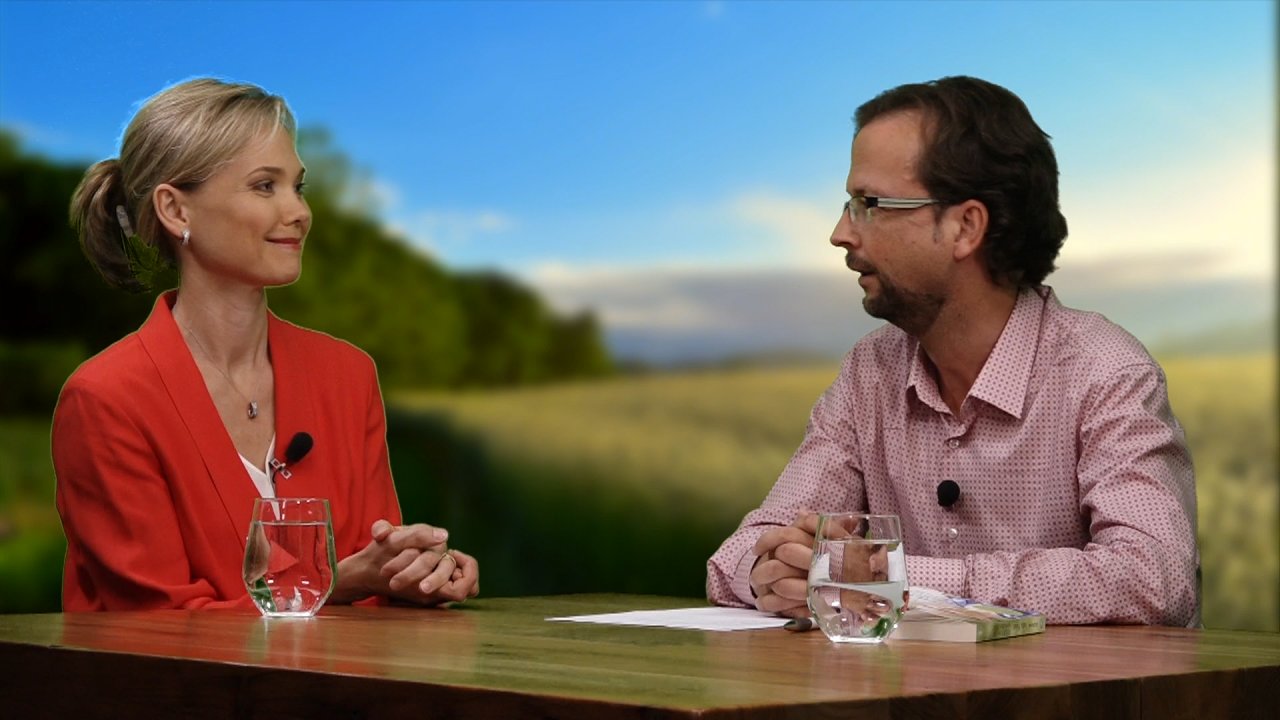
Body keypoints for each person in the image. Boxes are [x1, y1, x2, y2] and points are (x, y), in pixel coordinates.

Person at [706, 76, 1198, 626]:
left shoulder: (1106, 371)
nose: (841, 233)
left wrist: (896, 577)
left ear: (966, 227)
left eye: (869, 203)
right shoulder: (869, 372)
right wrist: (772, 573)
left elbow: (1156, 579)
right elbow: (738, 555)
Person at [55, 78, 480, 611]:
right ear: (176, 211)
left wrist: (416, 574)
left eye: (298, 187)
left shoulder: (348, 375)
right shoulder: (106, 398)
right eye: (264, 186)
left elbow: (374, 591)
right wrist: (332, 585)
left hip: (348, 693)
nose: (299, 212)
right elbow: (156, 630)